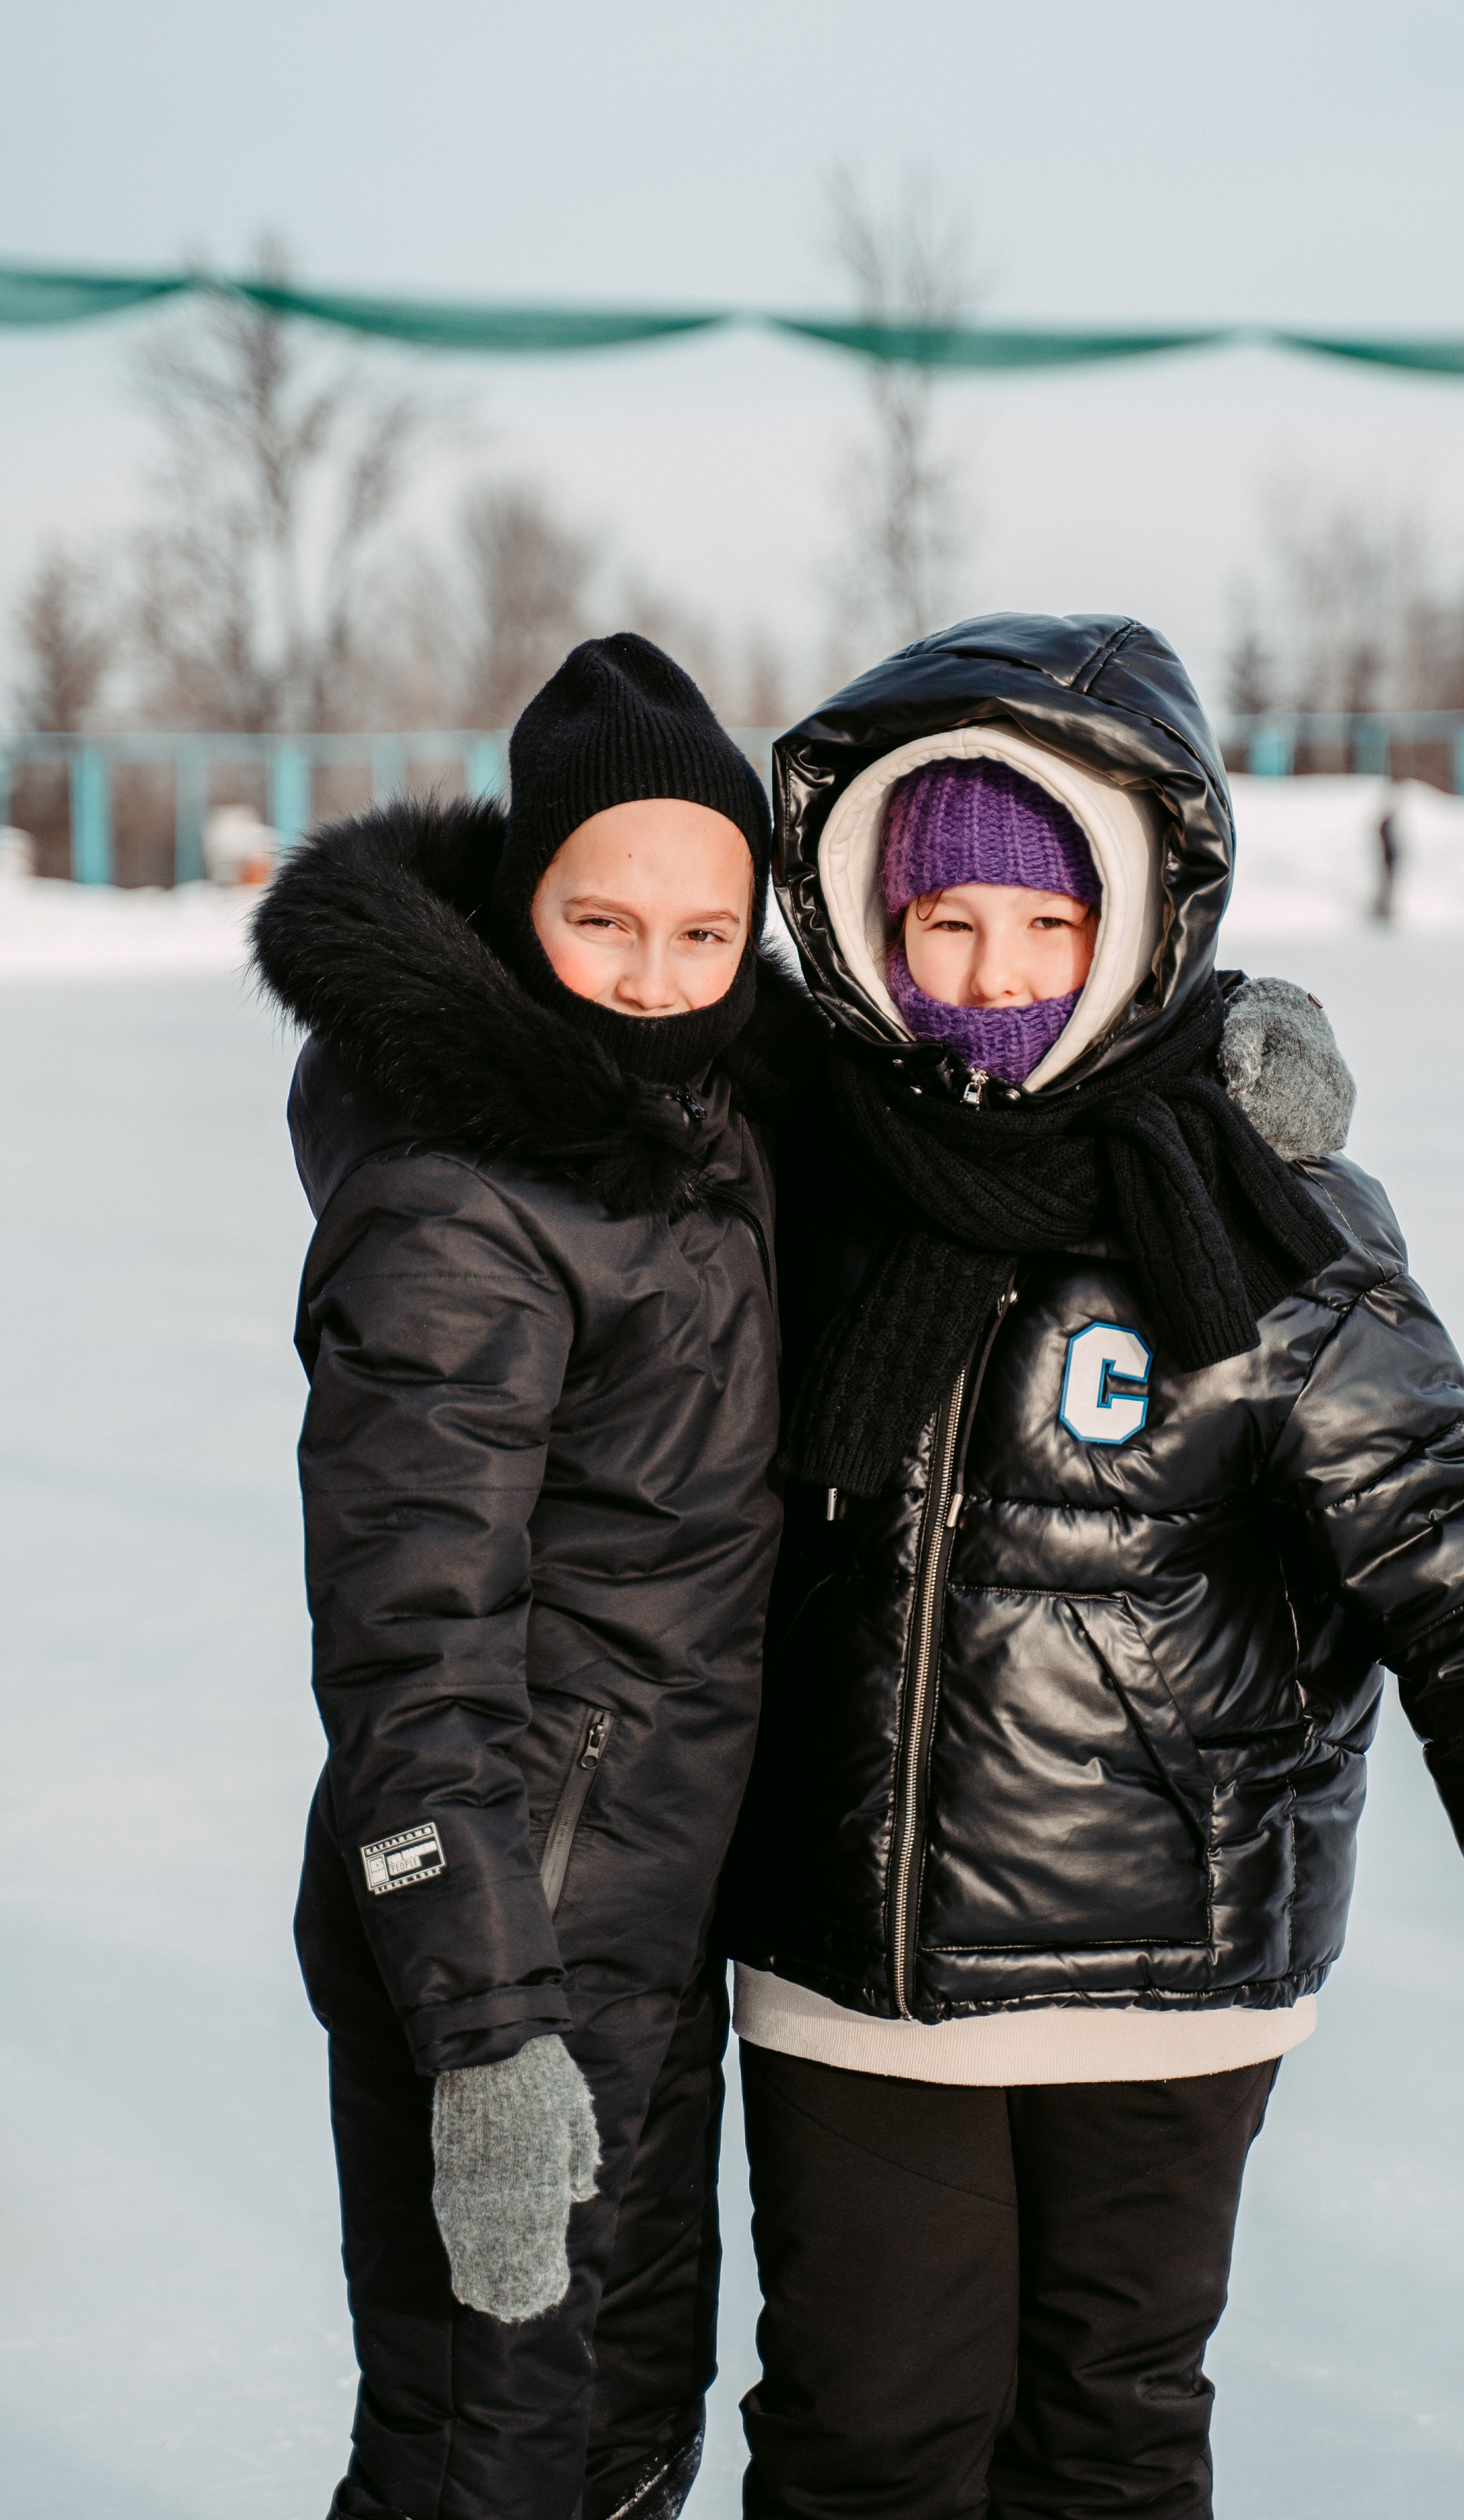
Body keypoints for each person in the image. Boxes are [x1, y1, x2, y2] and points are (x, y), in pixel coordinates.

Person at [725, 612, 1464, 2519]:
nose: (996, 972)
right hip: (856, 1945)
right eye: (946, 920)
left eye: (1047, 920)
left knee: (1109, 2434)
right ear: (872, 924)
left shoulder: (1254, 1204)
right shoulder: (796, 1174)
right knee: (861, 2436)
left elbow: (1454, 1539)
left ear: (1138, 922)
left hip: (1171, 1946)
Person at [253, 636, 804, 2520]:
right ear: (519, 908)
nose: (656, 979)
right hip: (505, 1952)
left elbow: (997, 1095)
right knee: (476, 2464)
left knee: (618, 2443)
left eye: (703, 934)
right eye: (603, 922)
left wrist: (1229, 1077)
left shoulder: (698, 1122)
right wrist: (487, 2040)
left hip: (643, 1924)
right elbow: (409, 1652)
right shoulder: (459, 1207)